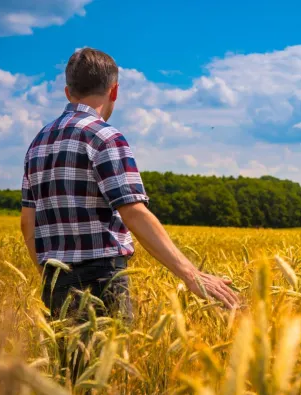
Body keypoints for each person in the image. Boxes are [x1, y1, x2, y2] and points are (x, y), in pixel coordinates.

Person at [20, 48, 239, 322]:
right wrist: (191, 275)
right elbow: (133, 211)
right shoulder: (105, 137)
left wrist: (48, 277)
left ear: (67, 92)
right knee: (109, 363)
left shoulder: (38, 143)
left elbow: (27, 222)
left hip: (54, 280)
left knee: (68, 365)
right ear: (114, 91)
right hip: (100, 280)